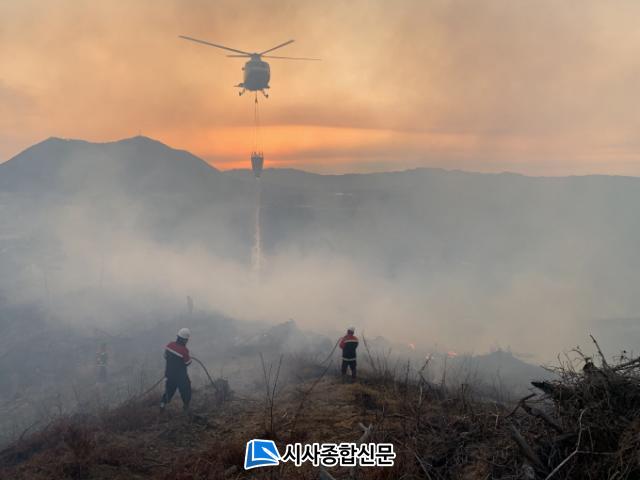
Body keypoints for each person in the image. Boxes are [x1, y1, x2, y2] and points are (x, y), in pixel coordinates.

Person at [160, 328, 192, 411]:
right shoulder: (184, 350)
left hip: (169, 374)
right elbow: (188, 362)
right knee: (186, 391)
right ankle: (186, 408)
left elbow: (165, 356)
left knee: (169, 392)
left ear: (178, 336)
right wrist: (188, 358)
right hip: (181, 377)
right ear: (185, 340)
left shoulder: (169, 345)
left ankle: (162, 405)